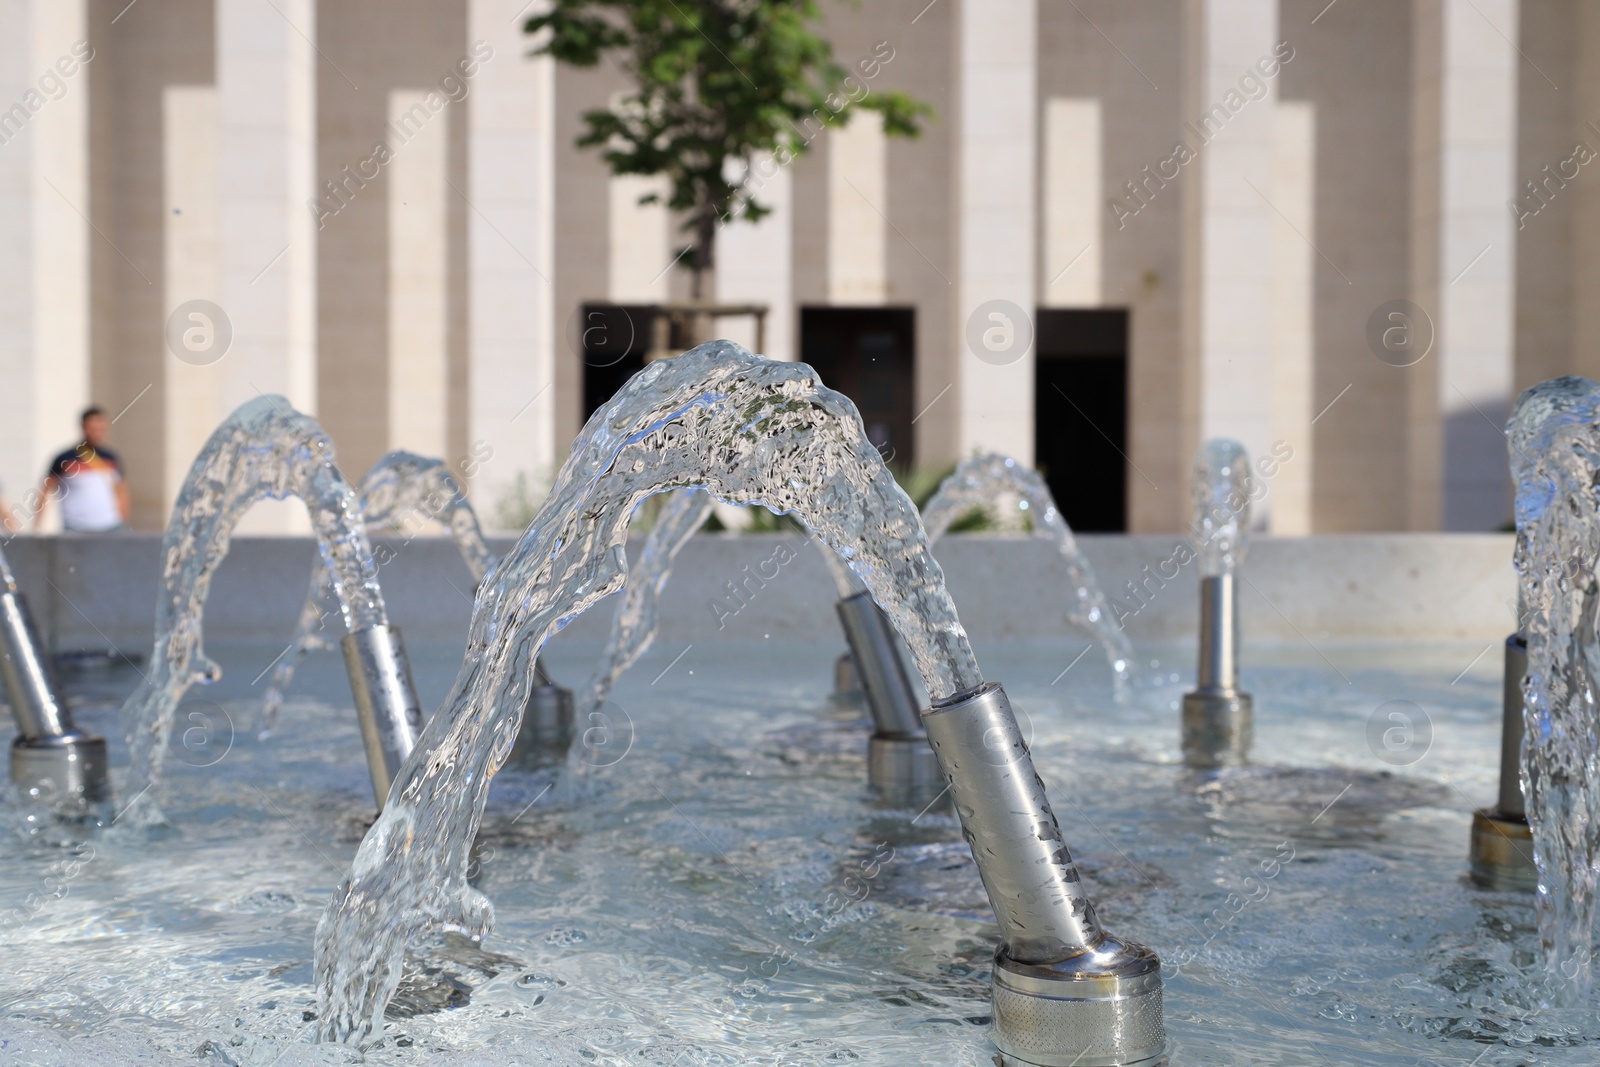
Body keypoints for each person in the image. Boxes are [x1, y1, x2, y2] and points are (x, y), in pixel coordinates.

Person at [37, 407, 130, 532]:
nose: (96, 432)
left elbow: (121, 492)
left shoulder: (111, 458)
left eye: (100, 427)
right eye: (92, 428)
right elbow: (45, 491)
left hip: (109, 526)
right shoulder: (65, 459)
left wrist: (124, 521)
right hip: (75, 527)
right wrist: (38, 526)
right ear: (83, 427)